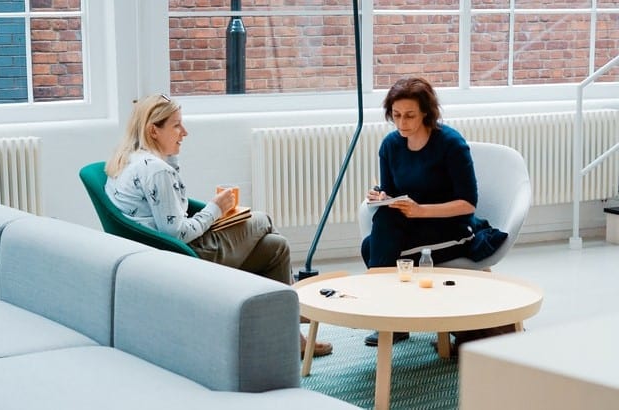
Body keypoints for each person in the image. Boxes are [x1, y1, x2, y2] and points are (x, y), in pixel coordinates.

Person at [104, 93, 332, 358]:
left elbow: (169, 214)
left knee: (276, 246)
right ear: (153, 130)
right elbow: (175, 232)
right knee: (262, 219)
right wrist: (215, 209)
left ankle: (291, 337)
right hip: (185, 256)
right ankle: (293, 310)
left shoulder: (132, 160)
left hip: (162, 253)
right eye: (176, 125)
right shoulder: (157, 171)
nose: (184, 132)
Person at [361, 77, 479, 347]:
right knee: (373, 241)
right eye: (397, 115)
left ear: (426, 112)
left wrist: (419, 210)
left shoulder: (450, 144)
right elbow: (391, 192)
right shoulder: (391, 145)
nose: (402, 123)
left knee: (372, 248)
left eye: (410, 115)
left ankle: (388, 318)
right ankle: (393, 318)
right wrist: (381, 196)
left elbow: (468, 203)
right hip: (412, 225)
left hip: (452, 228)